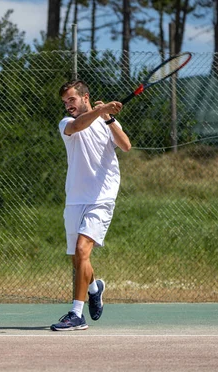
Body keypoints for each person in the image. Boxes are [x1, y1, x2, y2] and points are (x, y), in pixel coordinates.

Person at [51, 80, 131, 331]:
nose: (68, 105)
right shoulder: (67, 123)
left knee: (82, 250)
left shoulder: (106, 121)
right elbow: (78, 125)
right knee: (78, 258)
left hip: (102, 198)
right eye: (65, 102)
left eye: (72, 100)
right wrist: (100, 111)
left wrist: (107, 117)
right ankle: (95, 289)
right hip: (75, 198)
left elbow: (126, 146)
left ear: (85, 97)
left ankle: (77, 314)